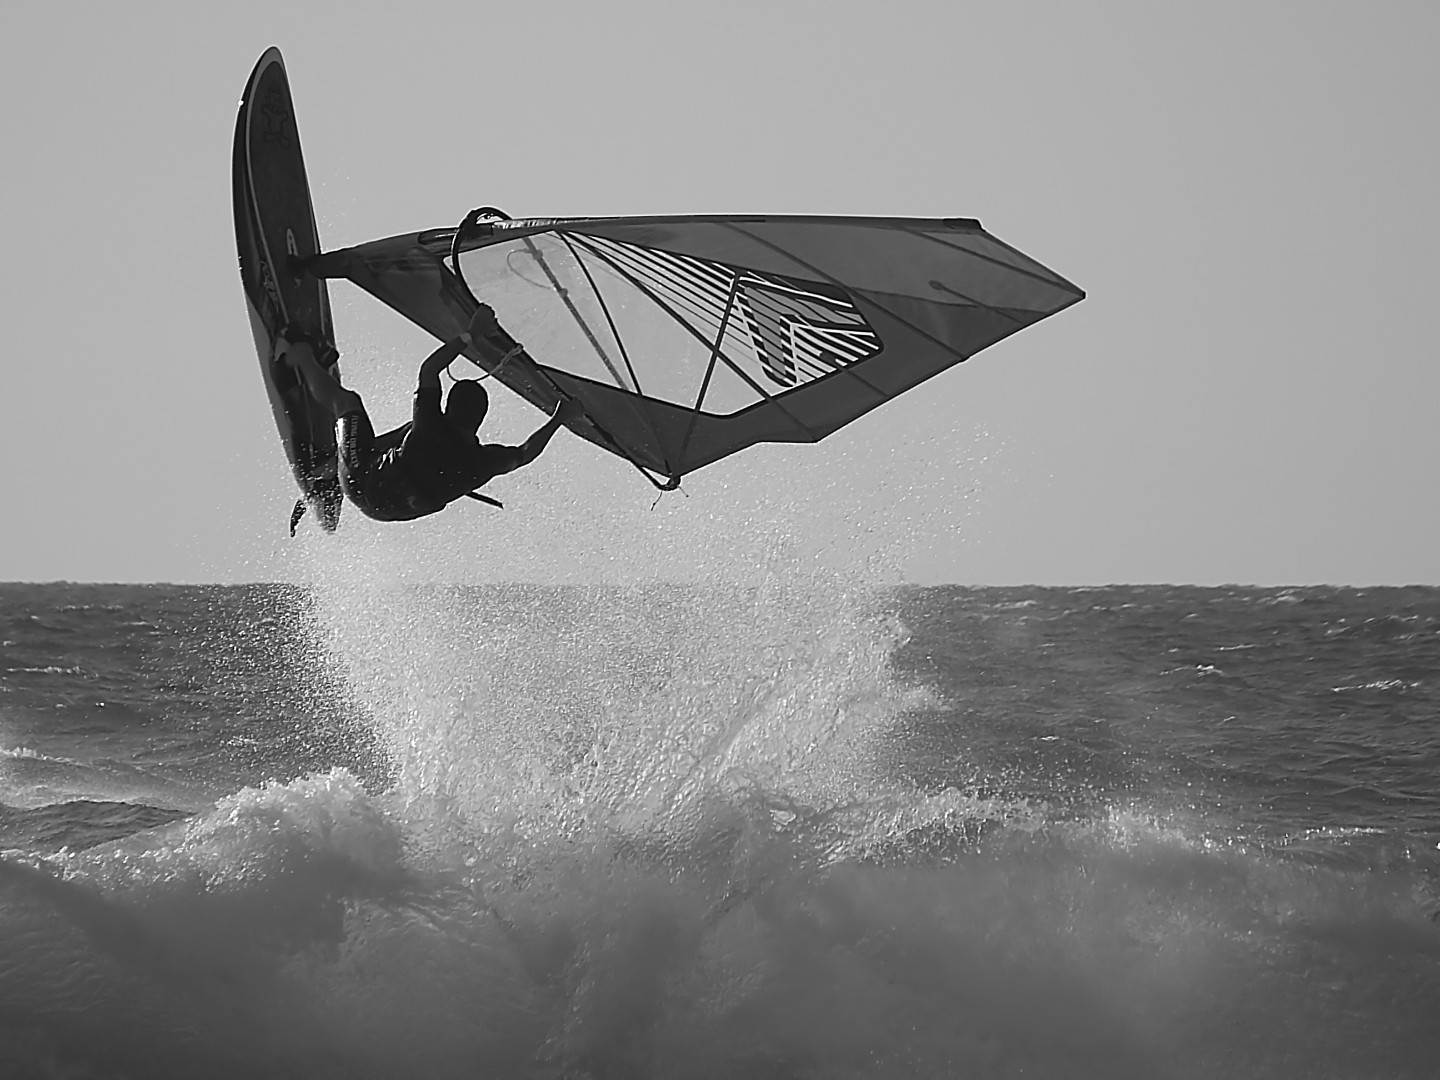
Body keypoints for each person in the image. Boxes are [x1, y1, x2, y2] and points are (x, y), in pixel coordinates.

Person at [280, 304, 582, 526]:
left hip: (362, 483)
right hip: (392, 512)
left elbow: (430, 369)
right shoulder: (482, 462)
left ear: (449, 410)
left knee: (348, 403)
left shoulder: (432, 427)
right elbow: (526, 453)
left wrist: (471, 335)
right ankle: (333, 478)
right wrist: (559, 419)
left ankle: (298, 356)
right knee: (407, 439)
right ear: (479, 421)